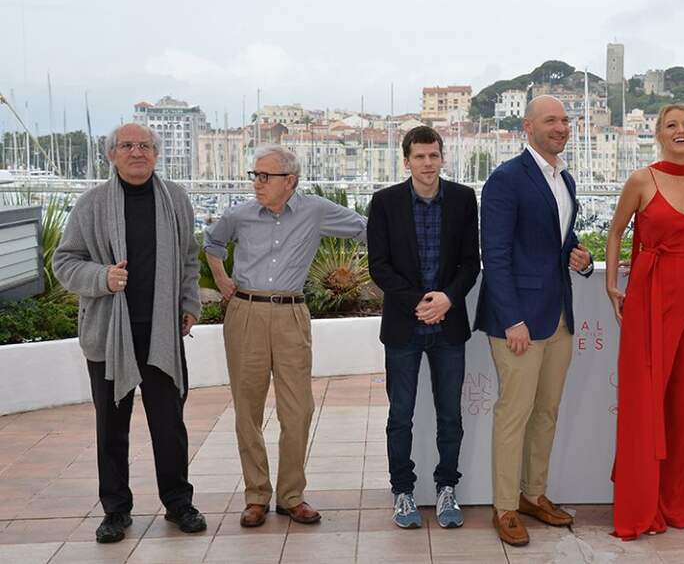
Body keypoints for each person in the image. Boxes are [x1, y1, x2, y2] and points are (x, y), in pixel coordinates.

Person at [53, 123, 206, 543]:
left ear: (156, 154)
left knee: (169, 423)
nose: (136, 152)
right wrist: (102, 277)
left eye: (144, 146)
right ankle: (116, 511)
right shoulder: (91, 204)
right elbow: (64, 263)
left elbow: (189, 258)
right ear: (112, 154)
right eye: (127, 145)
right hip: (109, 334)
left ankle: (178, 503)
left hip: (162, 331)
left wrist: (190, 303)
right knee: (111, 427)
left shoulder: (175, 199)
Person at [203, 144, 366, 528]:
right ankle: (256, 496)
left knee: (299, 410)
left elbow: (366, 229)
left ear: (289, 181)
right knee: (248, 408)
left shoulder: (315, 210)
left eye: (265, 176)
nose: (257, 183)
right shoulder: (239, 214)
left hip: (292, 313)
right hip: (245, 313)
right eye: (254, 176)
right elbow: (212, 242)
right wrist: (223, 280)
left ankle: (291, 496)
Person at [475, 95, 594, 547]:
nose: (561, 127)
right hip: (519, 323)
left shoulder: (564, 178)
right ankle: (505, 507)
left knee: (546, 413)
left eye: (565, 120)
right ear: (528, 126)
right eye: (551, 120)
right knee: (515, 415)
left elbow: (558, 239)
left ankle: (533, 495)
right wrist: (512, 320)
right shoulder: (506, 179)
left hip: (559, 316)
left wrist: (580, 260)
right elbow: (497, 255)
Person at [606, 102, 684, 540]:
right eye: (672, 125)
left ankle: (675, 504)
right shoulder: (641, 180)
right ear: (659, 133)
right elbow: (615, 231)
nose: (681, 131)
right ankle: (641, 507)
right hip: (650, 293)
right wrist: (612, 284)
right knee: (645, 399)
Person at [367, 126, 480, 530]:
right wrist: (418, 301)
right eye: (420, 157)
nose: (427, 163)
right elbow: (378, 266)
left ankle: (447, 486)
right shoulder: (384, 203)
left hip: (449, 326)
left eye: (434, 156)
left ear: (442, 157)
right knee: (401, 416)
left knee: (450, 415)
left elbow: (472, 262)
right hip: (404, 326)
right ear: (407, 161)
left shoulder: (464, 200)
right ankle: (403, 491)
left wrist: (448, 299)